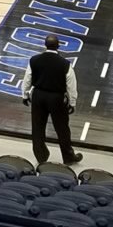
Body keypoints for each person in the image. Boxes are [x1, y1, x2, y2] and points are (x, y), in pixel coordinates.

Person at [22, 35, 82, 165]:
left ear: (45, 45)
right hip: (56, 98)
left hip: (38, 95)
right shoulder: (65, 64)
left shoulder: (34, 60)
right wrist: (72, 102)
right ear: (58, 46)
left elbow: (27, 78)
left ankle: (41, 156)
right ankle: (68, 157)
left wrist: (25, 95)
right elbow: (71, 85)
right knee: (62, 128)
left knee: (37, 127)